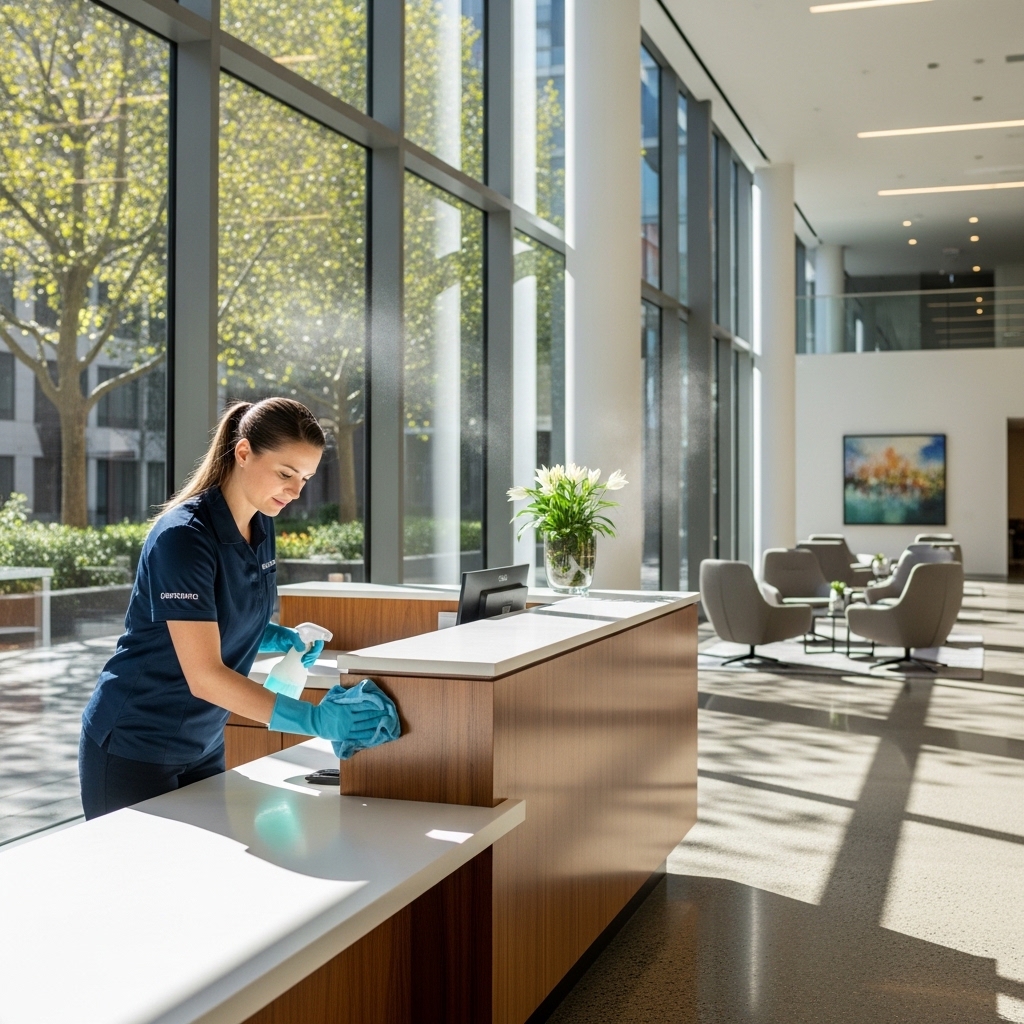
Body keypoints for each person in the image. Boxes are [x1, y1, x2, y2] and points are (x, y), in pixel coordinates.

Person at [79, 398, 391, 819]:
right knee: (137, 881)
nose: (296, 491)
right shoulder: (183, 538)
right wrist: (314, 721)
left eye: (306, 478)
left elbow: (219, 613)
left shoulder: (261, 524)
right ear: (243, 452)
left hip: (204, 740)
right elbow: (205, 676)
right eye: (285, 473)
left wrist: (279, 638)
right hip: (136, 743)